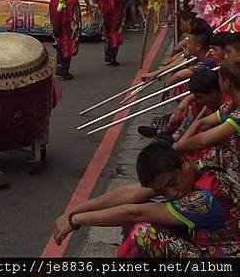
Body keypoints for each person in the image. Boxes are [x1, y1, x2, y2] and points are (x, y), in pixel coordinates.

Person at [53, 142, 239, 257]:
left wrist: (74, 220)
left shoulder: (202, 198)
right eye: (162, 190)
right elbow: (128, 194)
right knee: (139, 208)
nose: (172, 192)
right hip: (203, 241)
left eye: (172, 183)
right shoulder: (197, 168)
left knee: (142, 232)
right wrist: (74, 211)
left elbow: (133, 213)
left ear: (184, 163)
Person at [174, 61, 240, 181]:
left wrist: (180, 148)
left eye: (219, 78)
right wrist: (179, 145)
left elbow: (203, 140)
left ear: (226, 83)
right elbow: (201, 122)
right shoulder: (231, 105)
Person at [138, 68, 225, 144]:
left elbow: (204, 139)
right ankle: (171, 134)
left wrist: (181, 146)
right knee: (194, 106)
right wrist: (186, 101)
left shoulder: (227, 106)